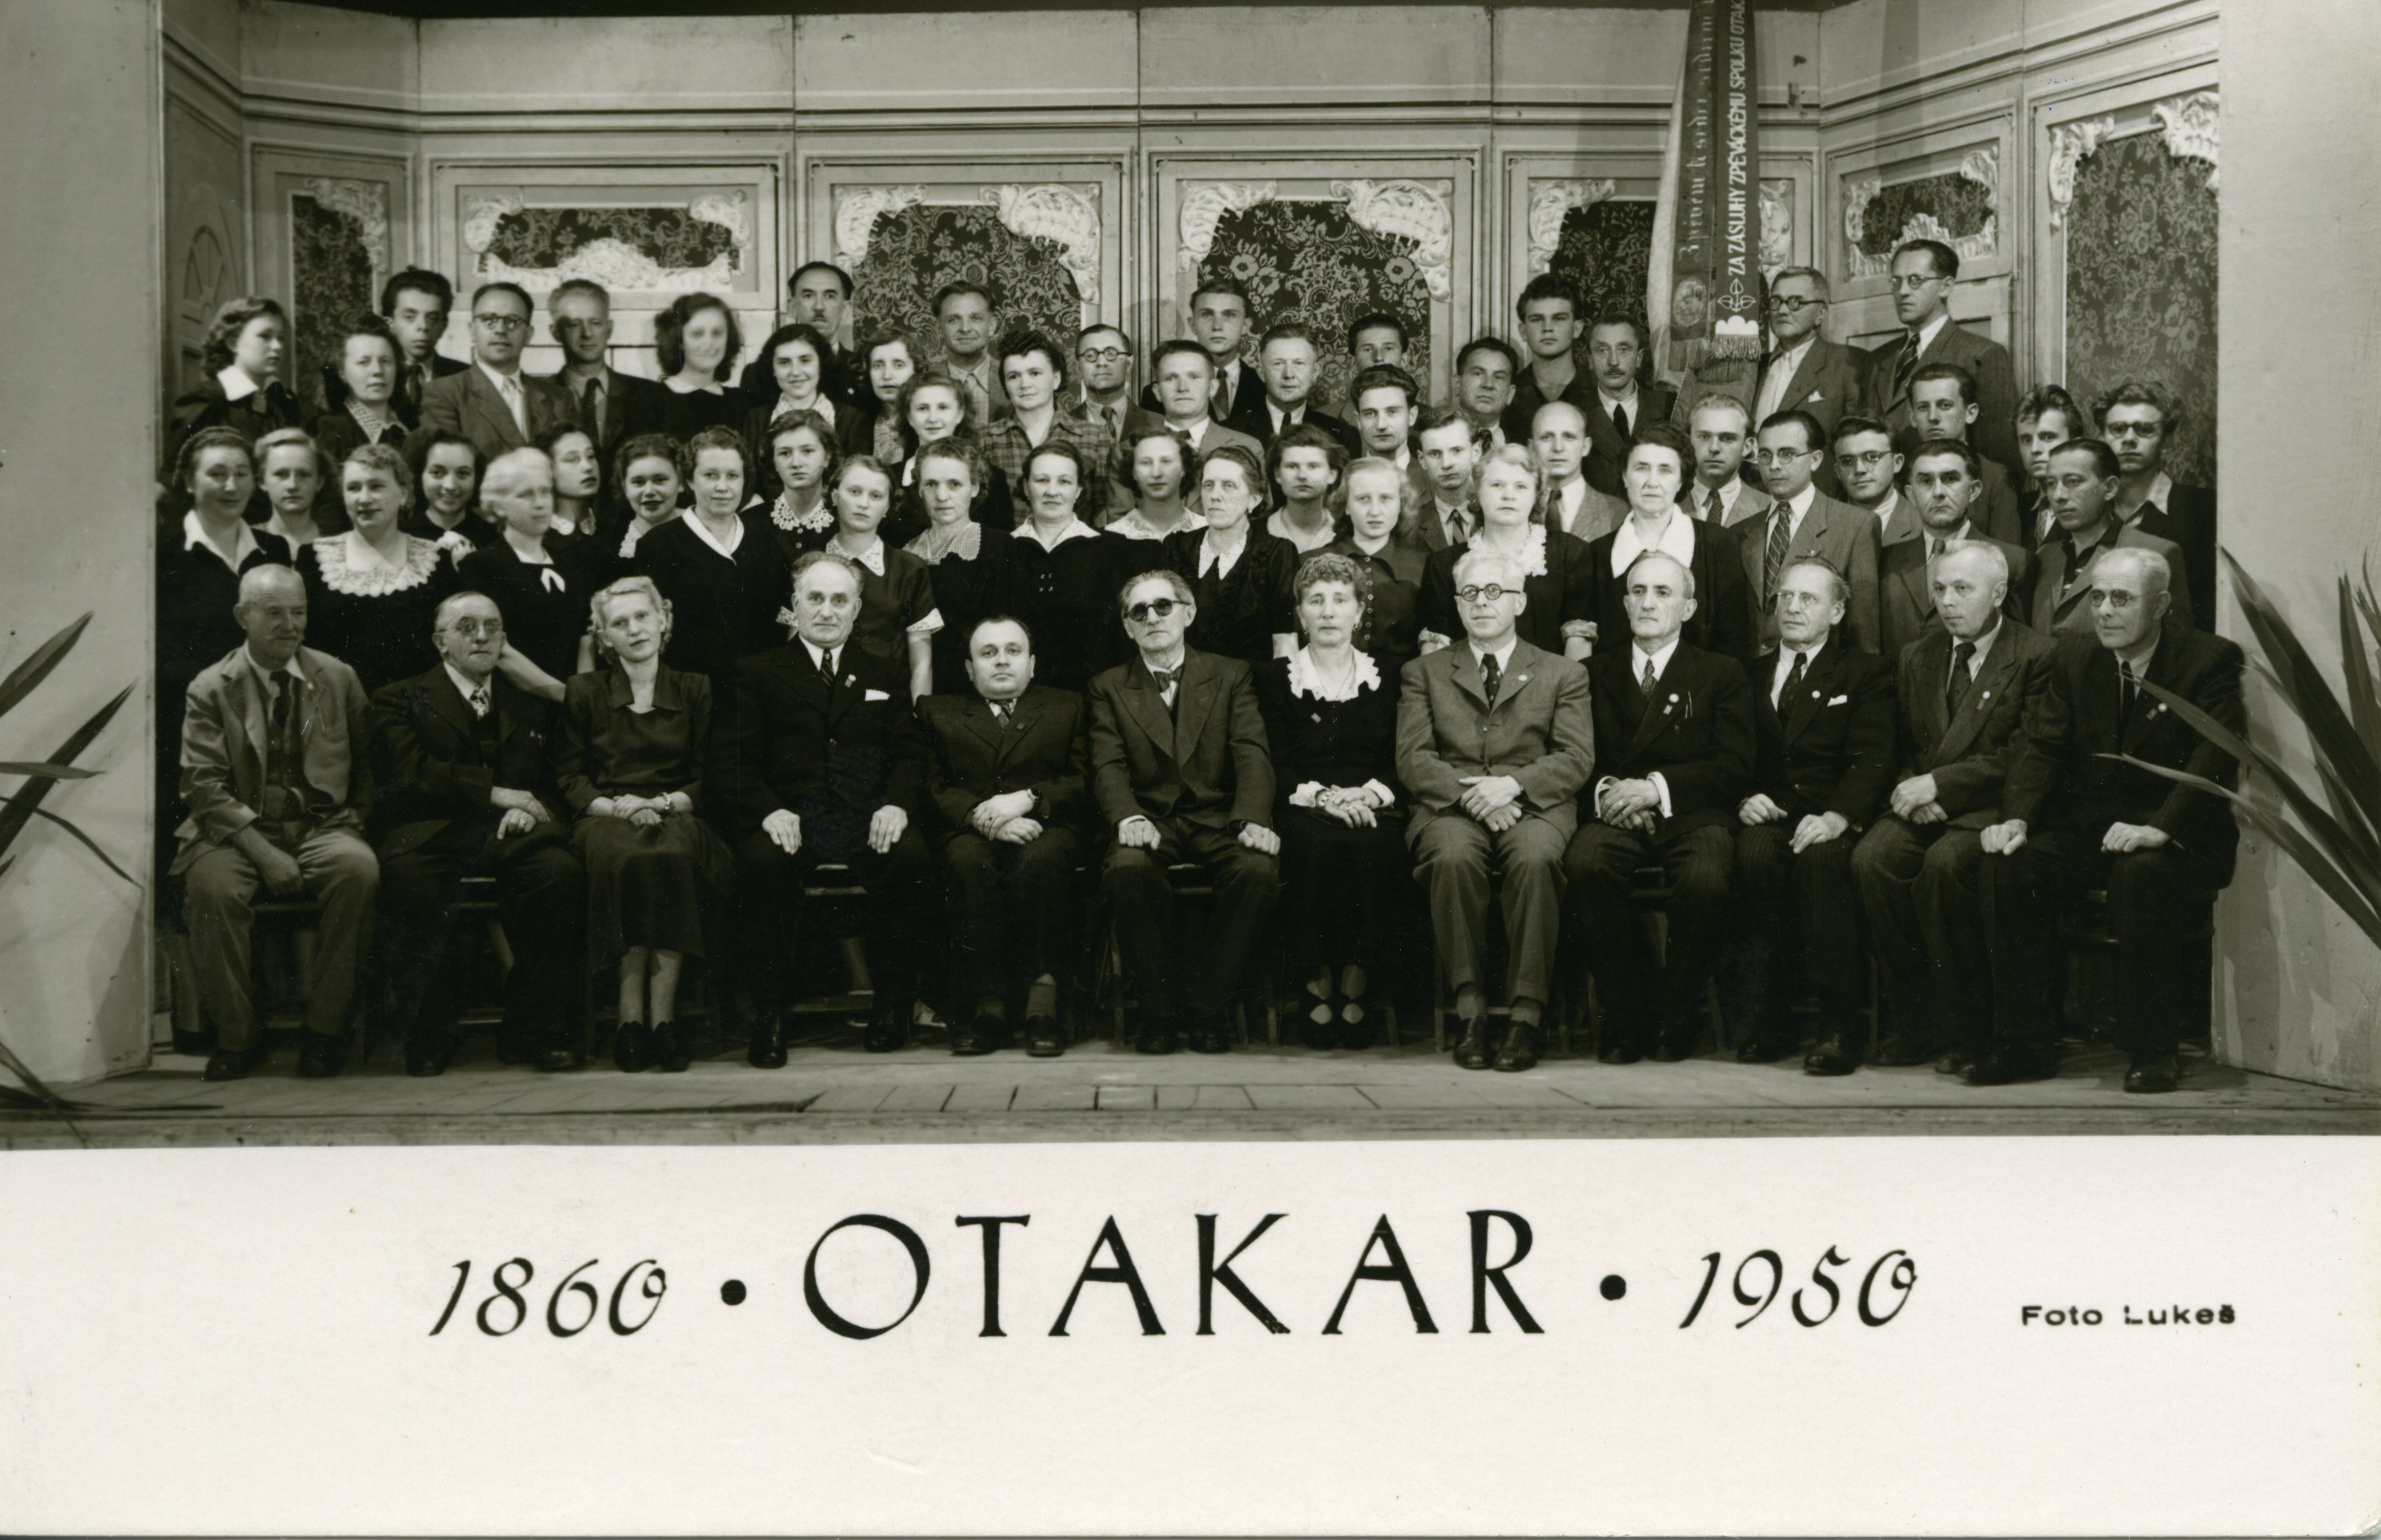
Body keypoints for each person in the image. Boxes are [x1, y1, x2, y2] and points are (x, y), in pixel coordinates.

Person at [1978, 549, 2244, 1093]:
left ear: (2160, 605)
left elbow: (2213, 756)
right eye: (2096, 597)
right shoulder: (2074, 657)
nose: (2103, 610)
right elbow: (2041, 746)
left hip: (2175, 835)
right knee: (2009, 866)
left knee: (2141, 874)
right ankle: (2025, 1043)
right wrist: (2016, 820)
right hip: (2092, 832)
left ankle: (2151, 1051)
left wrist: (2160, 829)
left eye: (2121, 598)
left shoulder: (2208, 659)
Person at [717, 550, 937, 1060]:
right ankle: (770, 1015)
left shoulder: (884, 671)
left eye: (840, 600)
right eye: (814, 598)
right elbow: (731, 759)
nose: (826, 610)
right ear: (794, 606)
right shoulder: (755, 672)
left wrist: (896, 806)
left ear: (857, 609)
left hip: (865, 818)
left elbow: (910, 753)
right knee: (761, 864)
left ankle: (892, 1006)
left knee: (910, 858)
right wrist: (769, 810)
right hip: (790, 818)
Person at [1850, 541, 2057, 1072]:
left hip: (1990, 806)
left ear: (1998, 593)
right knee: (1872, 859)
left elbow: (2025, 754)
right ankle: (1917, 1022)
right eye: (1939, 589)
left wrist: (1941, 786)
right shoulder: (1917, 655)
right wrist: (1913, 790)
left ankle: (1968, 1030)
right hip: (1922, 803)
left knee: (1946, 866)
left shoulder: (2036, 655)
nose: (1946, 601)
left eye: (1962, 589)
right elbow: (1898, 743)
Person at [173, 564, 378, 1082]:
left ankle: (326, 1033)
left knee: (358, 871)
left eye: (299, 612)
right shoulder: (210, 687)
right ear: (243, 617)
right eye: (274, 613)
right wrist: (264, 854)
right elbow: (202, 786)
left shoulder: (338, 676)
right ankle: (238, 1037)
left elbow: (370, 759)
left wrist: (360, 809)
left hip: (319, 826)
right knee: (213, 890)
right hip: (235, 833)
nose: (290, 625)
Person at [369, 590, 586, 1076]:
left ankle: (535, 1030)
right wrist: (498, 794)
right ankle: (430, 1034)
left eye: (493, 627)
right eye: (467, 627)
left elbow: (554, 779)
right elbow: (409, 775)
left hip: (512, 832)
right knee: (410, 883)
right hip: (431, 832)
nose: (482, 637)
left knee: (559, 875)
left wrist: (532, 811)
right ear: (440, 642)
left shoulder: (527, 702)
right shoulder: (399, 698)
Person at [1396, 547, 1595, 1071]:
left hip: (1532, 806)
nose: (1480, 603)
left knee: (1534, 860)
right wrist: (1474, 797)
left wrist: (1512, 786)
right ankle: (1470, 1013)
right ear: (1456, 604)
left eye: (1493, 592)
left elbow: (1575, 757)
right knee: (1452, 858)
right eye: (1469, 593)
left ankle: (1526, 1017)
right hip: (1450, 806)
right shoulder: (1423, 672)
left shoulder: (1562, 673)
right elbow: (1413, 758)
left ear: (1519, 602)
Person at [1565, 550, 1756, 1062]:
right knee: (1583, 864)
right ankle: (1626, 1015)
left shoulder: (1721, 672)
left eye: (1662, 592)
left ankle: (1676, 1012)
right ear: (1625, 603)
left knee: (1708, 877)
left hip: (1691, 811)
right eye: (1638, 591)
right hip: (1614, 810)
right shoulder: (1590, 673)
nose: (1648, 603)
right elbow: (1574, 755)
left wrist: (1656, 788)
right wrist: (1609, 791)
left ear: (1687, 608)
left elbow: (1735, 764)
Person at [1087, 569, 1281, 1054]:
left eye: (1163, 606)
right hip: (1149, 819)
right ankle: (1157, 1012)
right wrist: (1128, 817)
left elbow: (1251, 751)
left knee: (1257, 870)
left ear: (1188, 613)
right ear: (1127, 627)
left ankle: (1210, 1007)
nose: (1152, 618)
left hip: (1218, 818)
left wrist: (1252, 819)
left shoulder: (1231, 674)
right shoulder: (1107, 687)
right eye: (1139, 611)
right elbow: (1107, 764)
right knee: (1127, 869)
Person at [556, 577, 734, 1074]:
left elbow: (711, 776)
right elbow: (570, 778)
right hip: (606, 817)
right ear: (604, 637)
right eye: (620, 623)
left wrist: (660, 803)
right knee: (629, 856)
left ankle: (664, 1021)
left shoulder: (695, 687)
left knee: (670, 855)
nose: (634, 629)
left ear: (663, 621)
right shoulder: (583, 691)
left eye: (642, 616)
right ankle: (630, 1019)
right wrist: (621, 809)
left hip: (676, 812)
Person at [1725, 558, 1895, 1069]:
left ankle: (1839, 1024)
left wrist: (1839, 816)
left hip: (1831, 816)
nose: (1793, 608)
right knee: (1753, 857)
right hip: (1770, 815)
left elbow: (1874, 756)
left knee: (1824, 862)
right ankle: (1773, 1018)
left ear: (1837, 612)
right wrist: (1743, 796)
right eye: (1785, 597)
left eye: (1809, 598)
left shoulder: (1865, 672)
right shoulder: (1747, 674)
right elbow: (1728, 752)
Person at [917, 616, 1090, 1057]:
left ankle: (1042, 1009)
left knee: (1042, 860)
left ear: (1032, 664)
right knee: (967, 861)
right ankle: (988, 1009)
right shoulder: (936, 711)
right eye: (988, 653)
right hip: (969, 828)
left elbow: (1084, 777)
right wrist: (981, 817)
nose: (1001, 661)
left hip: (1044, 826)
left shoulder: (1068, 706)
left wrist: (1029, 799)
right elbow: (930, 784)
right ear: (969, 668)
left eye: (1013, 651)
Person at [1257, 554, 1410, 1049]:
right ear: (1300, 613)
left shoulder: (1391, 676)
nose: (1327, 611)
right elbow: (1272, 761)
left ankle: (1357, 982)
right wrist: (1321, 797)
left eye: (1340, 600)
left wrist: (1369, 793)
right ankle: (1315, 982)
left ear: (1359, 612)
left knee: (1376, 848)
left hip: (1372, 805)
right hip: (1301, 804)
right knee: (1311, 847)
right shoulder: (1272, 677)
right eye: (1315, 600)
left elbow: (1404, 758)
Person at [157, 431, 296, 934]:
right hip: (181, 721)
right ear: (189, 481)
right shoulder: (162, 548)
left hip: (258, 719)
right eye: (216, 474)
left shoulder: (273, 548)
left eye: (241, 474)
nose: (231, 486)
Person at [631, 425, 791, 690]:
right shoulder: (659, 545)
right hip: (688, 695)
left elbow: (784, 624)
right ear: (690, 480)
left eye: (733, 476)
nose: (722, 487)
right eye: (710, 475)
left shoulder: (766, 542)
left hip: (760, 695)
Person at [1581, 425, 1754, 662]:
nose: (1652, 482)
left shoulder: (1719, 544)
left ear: (1682, 480)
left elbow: (1732, 646)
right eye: (1642, 468)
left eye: (1665, 470)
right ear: (1625, 476)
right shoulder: (1597, 554)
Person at [296, 443, 457, 694]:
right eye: (353, 488)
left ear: (403, 494)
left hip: (417, 707)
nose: (364, 498)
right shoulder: (313, 559)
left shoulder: (436, 561)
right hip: (335, 702)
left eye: (376, 486)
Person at [1417, 442, 1596, 660]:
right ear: (1477, 493)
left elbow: (1578, 650)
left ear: (1537, 495)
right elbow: (1433, 659)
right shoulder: (1444, 564)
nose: (1508, 496)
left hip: (1554, 681)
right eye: (1497, 485)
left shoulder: (1571, 554)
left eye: (1521, 487)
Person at [1670, 267, 1865, 460]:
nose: (1782, 311)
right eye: (1776, 301)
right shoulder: (1751, 367)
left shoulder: (1849, 364)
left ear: (1820, 314)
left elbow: (1857, 442)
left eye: (1795, 302)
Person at [1860, 238, 2020, 470]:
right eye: (1896, 282)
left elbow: (2000, 458)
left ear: (1946, 286)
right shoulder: (1878, 360)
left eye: (1916, 281)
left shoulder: (1982, 355)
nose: (1903, 291)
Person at [457, 447, 598, 700]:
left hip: (578, 703)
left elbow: (585, 637)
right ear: (499, 506)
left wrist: (584, 697)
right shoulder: (482, 565)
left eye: (545, 492)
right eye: (526, 495)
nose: (540, 503)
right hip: (516, 705)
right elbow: (499, 652)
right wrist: (567, 697)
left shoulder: (569, 560)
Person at [1737, 411, 1882, 654]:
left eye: (1787, 454)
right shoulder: (1742, 531)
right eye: (1765, 455)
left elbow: (1863, 635)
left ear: (1815, 460)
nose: (1774, 465)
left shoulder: (1855, 525)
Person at [1877, 439, 2033, 658]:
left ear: (1974, 490)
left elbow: (2021, 650)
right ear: (1911, 495)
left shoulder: (2014, 561)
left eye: (1950, 479)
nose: (1938, 492)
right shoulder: (1887, 559)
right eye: (1926, 481)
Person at [2029, 438, 2193, 638]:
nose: (2058, 496)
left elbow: (2176, 645)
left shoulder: (2155, 554)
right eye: (2052, 484)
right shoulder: (2045, 556)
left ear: (2110, 488)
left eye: (2073, 482)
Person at [810, 455, 941, 701]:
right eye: (855, 492)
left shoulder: (909, 569)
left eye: (876, 496)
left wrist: (917, 716)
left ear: (889, 507)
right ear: (835, 496)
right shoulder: (809, 563)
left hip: (888, 706)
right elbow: (795, 650)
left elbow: (921, 664)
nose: (864, 504)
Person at [1163, 442, 1299, 667]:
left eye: (1229, 486)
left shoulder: (1276, 554)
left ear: (1254, 500)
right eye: (1209, 485)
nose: (1215, 496)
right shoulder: (1177, 548)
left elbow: (1285, 644)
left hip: (1252, 684)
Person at [2096, 379, 2217, 630]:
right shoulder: (2093, 510)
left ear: (2167, 439)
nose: (2129, 439)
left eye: (2145, 429)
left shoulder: (2203, 510)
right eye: (2118, 429)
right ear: (2102, 437)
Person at [1007, 434, 1122, 694]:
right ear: (1026, 487)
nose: (1052, 491)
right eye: (1042, 480)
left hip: (1091, 694)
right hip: (1020, 694)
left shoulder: (1109, 548)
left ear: (1079, 490)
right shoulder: (1003, 549)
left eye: (1064, 481)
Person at [905, 439, 1019, 697]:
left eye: (954, 484)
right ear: (920, 489)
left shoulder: (998, 547)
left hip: (973, 694)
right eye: (931, 484)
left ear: (975, 488)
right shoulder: (905, 553)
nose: (942, 496)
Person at [416, 281, 573, 463]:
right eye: (489, 320)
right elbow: (449, 467)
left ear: (528, 335)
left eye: (513, 321)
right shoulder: (444, 394)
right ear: (472, 330)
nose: (500, 330)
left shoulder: (559, 398)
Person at [162, 297, 302, 494]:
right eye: (265, 336)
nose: (277, 346)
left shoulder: (281, 405)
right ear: (233, 343)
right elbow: (172, 482)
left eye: (281, 338)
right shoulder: (208, 400)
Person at [981, 328, 1115, 525]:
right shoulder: (986, 440)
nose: (1025, 384)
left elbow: (1103, 511)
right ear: (1005, 386)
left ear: (1056, 379)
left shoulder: (1094, 438)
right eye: (1014, 376)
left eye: (1035, 373)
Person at [542, 278, 663, 464]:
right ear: (556, 333)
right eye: (574, 325)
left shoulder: (650, 395)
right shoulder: (538, 396)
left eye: (595, 323)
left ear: (609, 329)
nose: (587, 333)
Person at [1327, 456, 1430, 672]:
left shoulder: (1423, 566)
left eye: (1386, 499)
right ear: (1346, 506)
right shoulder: (1313, 561)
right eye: (1363, 499)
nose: (1375, 511)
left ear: (1401, 505)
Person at [1903, 362, 2023, 545]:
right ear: (1912, 417)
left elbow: (2008, 555)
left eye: (1945, 406)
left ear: (1970, 413)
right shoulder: (1902, 478)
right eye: (1923, 407)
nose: (1933, 417)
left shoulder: (1996, 478)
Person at [307, 314, 409, 525]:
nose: (377, 371)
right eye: (364, 362)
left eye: (386, 361)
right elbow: (325, 513)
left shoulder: (407, 432)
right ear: (342, 372)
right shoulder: (328, 430)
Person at [890, 371, 1014, 540]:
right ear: (910, 417)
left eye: (943, 408)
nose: (933, 418)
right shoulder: (890, 477)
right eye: (923, 409)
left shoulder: (991, 478)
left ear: (959, 414)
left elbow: (1001, 545)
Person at [625, 290, 751, 445]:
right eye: (697, 334)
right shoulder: (650, 401)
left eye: (717, 333)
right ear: (680, 341)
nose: (709, 343)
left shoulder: (739, 403)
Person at [740, 323, 845, 498]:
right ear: (773, 369)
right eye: (784, 363)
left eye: (805, 360)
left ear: (820, 364)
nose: (796, 372)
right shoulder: (756, 419)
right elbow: (748, 481)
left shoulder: (851, 419)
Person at [738, 262, 862, 408]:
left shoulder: (862, 370)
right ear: (793, 307)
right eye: (809, 296)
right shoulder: (757, 374)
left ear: (846, 309)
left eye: (830, 296)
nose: (819, 307)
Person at [1142, 276, 1263, 422]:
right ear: (1193, 324)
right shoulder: (1158, 394)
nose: (1217, 326)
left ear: (1245, 326)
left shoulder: (1265, 391)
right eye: (1207, 315)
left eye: (1229, 316)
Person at [1226, 321, 1358, 453]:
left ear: (1316, 371)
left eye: (1299, 363)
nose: (1289, 374)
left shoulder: (1342, 435)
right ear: (1261, 372)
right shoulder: (1229, 432)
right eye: (1278, 364)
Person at [1133, 340, 1264, 469]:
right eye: (1171, 379)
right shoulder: (1130, 450)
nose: (1183, 388)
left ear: (1213, 388)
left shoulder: (1248, 447)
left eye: (1194, 377)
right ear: (1157, 392)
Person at [1499, 274, 1588, 447]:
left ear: (1577, 328)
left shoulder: (1601, 391)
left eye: (1559, 319)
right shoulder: (1507, 396)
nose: (1547, 328)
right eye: (1537, 320)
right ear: (1523, 331)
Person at [1531, 400, 1629, 544]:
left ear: (1586, 446)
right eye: (1546, 437)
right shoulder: (1517, 507)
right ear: (1532, 448)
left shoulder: (1617, 511)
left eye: (1569, 437)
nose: (1558, 448)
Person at [381, 267, 467, 426]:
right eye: (410, 317)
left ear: (443, 327)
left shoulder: (464, 377)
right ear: (390, 324)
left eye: (432, 318)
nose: (423, 326)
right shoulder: (375, 375)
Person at [1345, 363, 1434, 516]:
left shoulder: (1434, 480)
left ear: (1412, 416)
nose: (1381, 425)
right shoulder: (1341, 483)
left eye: (1392, 412)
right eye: (1370, 414)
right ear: (1358, 420)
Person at [402, 429, 500, 560]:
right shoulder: (401, 536)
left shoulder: (493, 538)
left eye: (463, 474)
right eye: (437, 473)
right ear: (419, 476)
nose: (450, 486)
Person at [600, 434, 686, 579]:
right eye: (638, 482)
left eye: (660, 480)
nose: (649, 492)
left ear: (680, 482)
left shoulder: (703, 531)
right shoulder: (608, 548)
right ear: (625, 487)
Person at [1680, 394, 1772, 530]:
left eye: (1728, 439)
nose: (1714, 448)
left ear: (1747, 447)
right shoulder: (1663, 504)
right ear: (1688, 442)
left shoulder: (1771, 509)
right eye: (1704, 437)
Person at [1102, 424, 1205, 545]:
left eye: (1166, 461)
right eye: (1146, 463)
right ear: (1133, 472)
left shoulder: (1207, 531)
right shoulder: (1112, 537)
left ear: (1183, 469)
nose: (1156, 473)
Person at [757, 407, 839, 556]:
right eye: (785, 453)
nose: (796, 463)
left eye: (807, 451)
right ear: (774, 462)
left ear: (827, 457)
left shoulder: (845, 521)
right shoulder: (752, 522)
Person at [932, 282, 1007, 432]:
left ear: (992, 326)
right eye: (953, 320)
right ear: (940, 329)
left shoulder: (1013, 379)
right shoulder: (922, 380)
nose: (965, 328)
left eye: (976, 318)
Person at [1264, 422, 1347, 553]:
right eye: (1292, 466)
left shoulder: (1347, 537)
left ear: (1332, 474)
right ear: (1277, 474)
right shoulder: (1253, 534)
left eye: (1313, 466)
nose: (1302, 476)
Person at [1831, 413, 1911, 548]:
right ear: (1838, 471)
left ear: (1897, 463)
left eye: (1872, 457)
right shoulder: (1822, 524)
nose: (1859, 469)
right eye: (1847, 461)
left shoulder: (1922, 521)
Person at [1412, 406, 1485, 551]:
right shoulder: (1408, 527)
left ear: (1476, 452)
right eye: (1435, 454)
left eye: (1457, 451)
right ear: (1422, 460)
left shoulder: (1498, 515)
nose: (1446, 464)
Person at [254, 428, 332, 549]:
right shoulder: (243, 539)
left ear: (319, 482)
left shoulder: (339, 543)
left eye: (304, 475)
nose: (293, 485)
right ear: (262, 481)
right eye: (281, 474)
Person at [855, 327, 922, 463]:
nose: (887, 376)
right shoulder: (856, 422)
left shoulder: (927, 422)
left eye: (898, 365)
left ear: (916, 370)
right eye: (878, 366)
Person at [532, 421, 601, 543]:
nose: (588, 466)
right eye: (572, 459)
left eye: (591, 456)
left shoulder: (619, 533)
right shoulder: (534, 541)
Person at [1072, 323, 1139, 447]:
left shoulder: (1159, 424)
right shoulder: (1059, 428)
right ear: (1078, 369)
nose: (1101, 363)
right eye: (1090, 355)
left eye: (1111, 354)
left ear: (1128, 365)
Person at [1451, 336, 1518, 449]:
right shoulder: (1434, 438)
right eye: (1478, 374)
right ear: (1457, 384)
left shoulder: (1524, 445)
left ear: (1510, 394)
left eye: (1499, 377)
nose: (1488, 385)